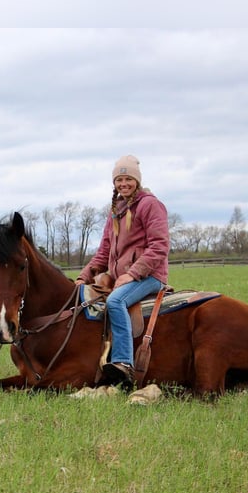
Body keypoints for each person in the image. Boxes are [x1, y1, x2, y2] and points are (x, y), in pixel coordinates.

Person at [75, 155, 170, 389]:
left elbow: (159, 246)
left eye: (128, 178)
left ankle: (123, 363)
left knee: (115, 302)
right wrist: (83, 277)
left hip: (149, 276)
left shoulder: (150, 205)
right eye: (119, 179)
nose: (123, 184)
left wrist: (133, 273)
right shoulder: (116, 210)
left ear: (137, 181)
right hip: (122, 278)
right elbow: (104, 252)